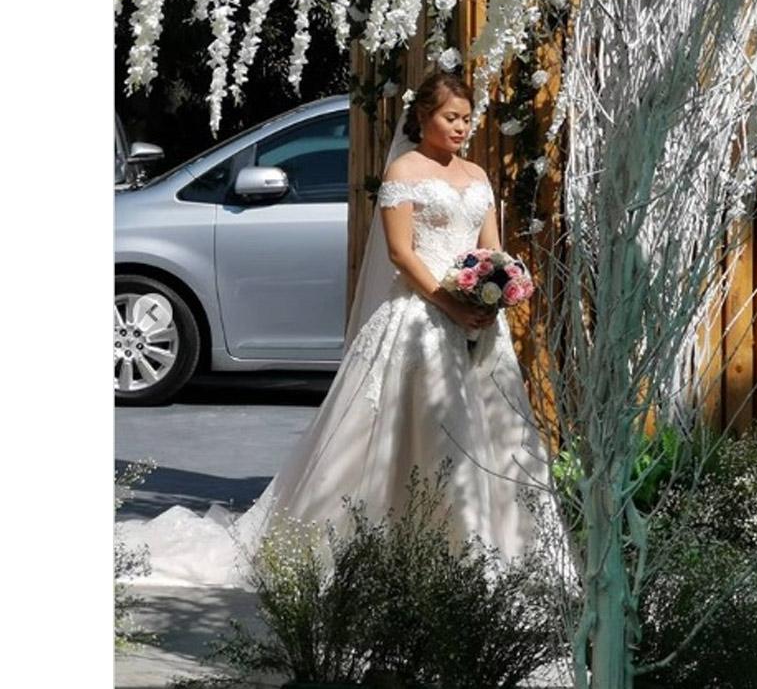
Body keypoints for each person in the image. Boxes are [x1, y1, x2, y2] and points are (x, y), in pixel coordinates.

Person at [116, 71, 578, 590]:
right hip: (422, 316)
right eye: (451, 118)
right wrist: (450, 302)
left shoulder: (476, 174)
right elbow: (402, 253)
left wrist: (496, 291)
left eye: (467, 119)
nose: (461, 128)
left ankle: (497, 552)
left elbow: (490, 248)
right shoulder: (404, 171)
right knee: (421, 431)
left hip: (476, 320)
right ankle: (414, 547)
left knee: (494, 433)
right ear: (424, 116)